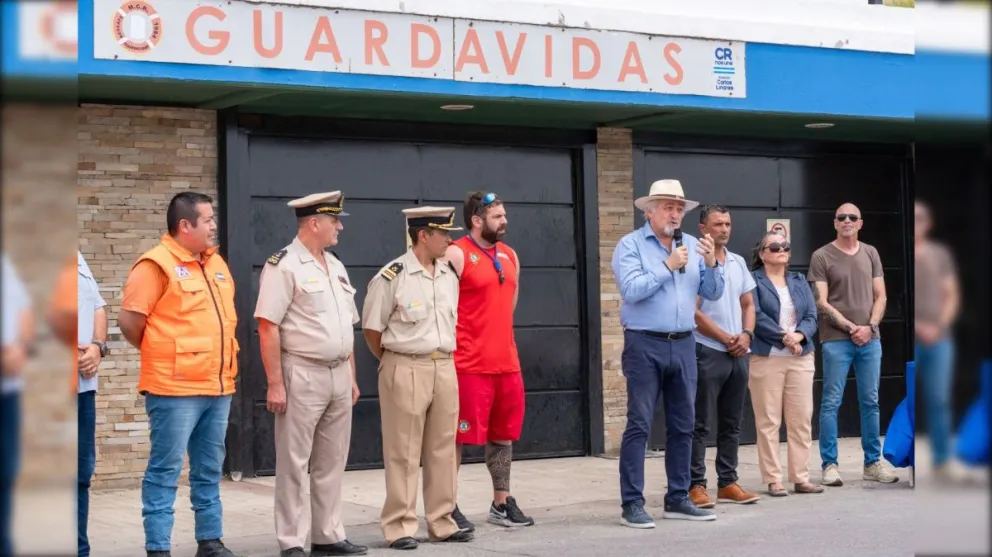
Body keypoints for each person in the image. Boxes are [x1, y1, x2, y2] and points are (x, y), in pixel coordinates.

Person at [118, 192, 240, 557]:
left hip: (218, 386)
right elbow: (130, 321)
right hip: (173, 389)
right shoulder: (154, 265)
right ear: (184, 226)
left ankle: (210, 540)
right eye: (207, 220)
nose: (214, 225)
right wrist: (162, 351)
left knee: (208, 469)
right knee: (165, 471)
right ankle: (158, 548)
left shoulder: (216, 263)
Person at [254, 191, 367, 557]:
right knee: (294, 462)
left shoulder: (334, 265)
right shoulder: (283, 265)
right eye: (335, 220)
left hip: (337, 374)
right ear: (314, 223)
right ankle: (291, 541)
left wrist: (350, 376)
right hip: (301, 373)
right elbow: (267, 326)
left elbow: (347, 326)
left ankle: (328, 534)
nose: (340, 226)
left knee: (332, 461)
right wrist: (275, 383)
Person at [611, 179, 724, 528]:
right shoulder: (630, 245)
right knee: (640, 423)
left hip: (684, 342)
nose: (674, 214)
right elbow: (631, 290)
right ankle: (632, 503)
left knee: (684, 424)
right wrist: (668, 266)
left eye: (679, 208)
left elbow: (714, 293)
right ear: (649, 211)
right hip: (645, 343)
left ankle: (677, 497)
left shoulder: (691, 244)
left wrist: (712, 263)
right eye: (667, 207)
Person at [362, 206, 474, 550]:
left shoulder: (448, 274)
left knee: (443, 449)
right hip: (406, 365)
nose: (450, 239)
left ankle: (441, 520)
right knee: (403, 451)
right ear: (423, 235)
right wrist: (397, 360)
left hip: (445, 366)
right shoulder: (392, 276)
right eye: (443, 233)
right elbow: (372, 329)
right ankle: (399, 526)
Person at [444, 191, 533, 530]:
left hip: (506, 364)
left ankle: (501, 501)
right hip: (468, 366)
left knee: (503, 435)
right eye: (497, 216)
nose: (504, 221)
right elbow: (444, 307)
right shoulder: (456, 253)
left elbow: (509, 306)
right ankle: (446, 504)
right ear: (477, 220)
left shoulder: (510, 255)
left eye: (504, 215)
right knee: (457, 437)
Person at [809, 202, 898, 486]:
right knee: (831, 402)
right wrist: (851, 328)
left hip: (870, 339)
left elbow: (881, 296)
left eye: (852, 217)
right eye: (841, 217)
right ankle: (829, 465)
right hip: (837, 340)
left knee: (870, 402)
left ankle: (872, 463)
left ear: (860, 223)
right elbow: (820, 301)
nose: (847, 221)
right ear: (834, 223)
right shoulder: (821, 255)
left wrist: (870, 327)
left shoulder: (871, 252)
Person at [688, 206, 760, 508]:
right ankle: (696, 485)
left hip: (738, 352)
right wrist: (724, 337)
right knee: (700, 423)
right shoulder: (694, 260)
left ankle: (728, 482)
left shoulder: (738, 262)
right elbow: (692, 310)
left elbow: (748, 304)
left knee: (732, 423)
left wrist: (746, 335)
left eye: (728, 223)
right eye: (718, 224)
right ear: (704, 227)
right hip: (707, 349)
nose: (724, 229)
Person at [748, 232, 824, 496]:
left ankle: (801, 477)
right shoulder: (753, 280)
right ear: (762, 253)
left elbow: (812, 315)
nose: (781, 250)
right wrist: (784, 337)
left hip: (801, 357)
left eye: (785, 246)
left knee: (801, 420)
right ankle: (773, 479)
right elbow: (754, 315)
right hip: (767, 358)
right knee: (768, 421)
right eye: (775, 246)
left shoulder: (799, 279)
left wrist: (799, 336)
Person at [913, 200, 963, 480]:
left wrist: (938, 326)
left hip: (940, 339)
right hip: (912, 338)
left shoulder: (940, 253)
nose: (916, 222)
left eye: (920, 217)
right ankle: (904, 460)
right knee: (907, 400)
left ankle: (942, 460)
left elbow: (952, 294)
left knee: (939, 398)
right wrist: (919, 326)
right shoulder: (901, 252)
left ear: (928, 223)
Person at [72, 252, 109, 556]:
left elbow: (97, 305)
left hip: (82, 387)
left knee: (80, 473)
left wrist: (97, 346)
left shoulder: (75, 255)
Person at [1, 254, 34, 557]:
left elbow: (23, 310)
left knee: (6, 472)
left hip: (8, 393)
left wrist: (20, 347)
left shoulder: (6, 266)